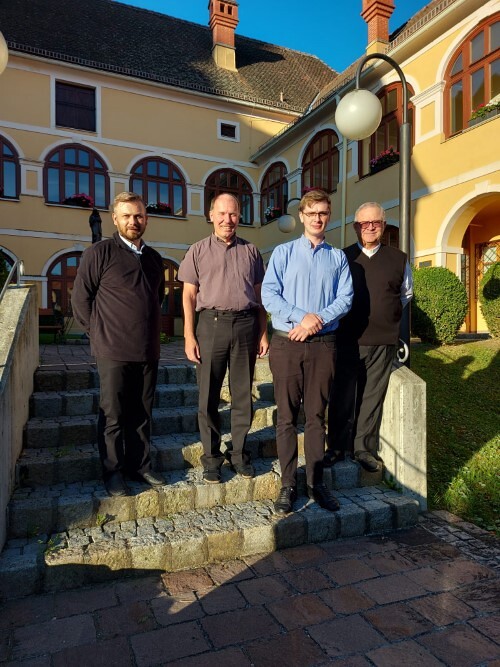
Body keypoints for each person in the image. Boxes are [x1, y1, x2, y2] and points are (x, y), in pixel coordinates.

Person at [262, 189, 353, 514]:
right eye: (312, 213)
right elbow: (269, 295)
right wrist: (302, 317)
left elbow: (345, 299)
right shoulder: (283, 253)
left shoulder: (338, 258)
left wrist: (317, 322)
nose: (317, 218)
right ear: (301, 216)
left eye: (323, 213)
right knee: (286, 417)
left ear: (329, 216)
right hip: (287, 344)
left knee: (315, 417)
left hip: (323, 346)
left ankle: (316, 483)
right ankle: (287, 485)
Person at [72, 192, 166, 497]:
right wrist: (98, 333)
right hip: (112, 349)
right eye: (126, 216)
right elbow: (80, 299)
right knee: (112, 414)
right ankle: (113, 472)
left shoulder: (154, 259)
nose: (133, 221)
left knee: (142, 412)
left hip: (147, 349)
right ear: (115, 219)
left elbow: (157, 298)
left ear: (146, 219)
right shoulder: (99, 253)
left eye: (138, 216)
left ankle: (140, 465)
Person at [178, 193, 269, 484]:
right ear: (211, 216)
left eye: (232, 214)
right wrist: (189, 335)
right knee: (208, 396)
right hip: (211, 326)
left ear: (239, 216)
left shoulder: (251, 251)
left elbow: (259, 295)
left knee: (242, 395)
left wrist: (263, 331)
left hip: (245, 325)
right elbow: (188, 295)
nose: (227, 219)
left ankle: (239, 453)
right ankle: (211, 458)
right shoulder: (197, 250)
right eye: (221, 213)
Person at [325, 202, 413, 472]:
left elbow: (406, 294)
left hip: (382, 341)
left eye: (376, 222)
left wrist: (387, 319)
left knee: (372, 397)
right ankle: (336, 446)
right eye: (364, 223)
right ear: (356, 227)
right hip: (347, 339)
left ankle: (363, 449)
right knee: (342, 395)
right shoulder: (343, 258)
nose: (370, 227)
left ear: (383, 226)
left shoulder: (398, 258)